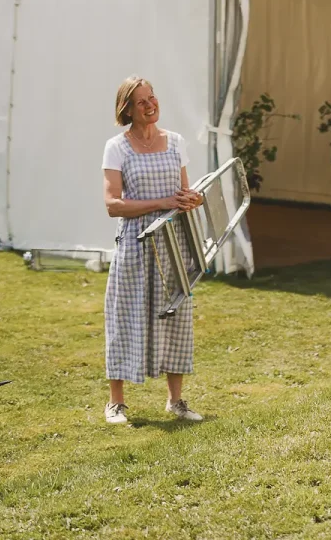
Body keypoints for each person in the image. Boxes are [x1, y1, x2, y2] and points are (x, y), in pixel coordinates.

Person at [101, 77, 205, 425]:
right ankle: (116, 403)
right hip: (135, 243)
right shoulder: (117, 147)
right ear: (127, 110)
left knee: (176, 318)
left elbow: (184, 191)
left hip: (174, 244)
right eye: (141, 102)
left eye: (152, 98)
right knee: (125, 317)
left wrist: (192, 199)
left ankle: (176, 401)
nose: (150, 105)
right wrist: (161, 202)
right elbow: (113, 205)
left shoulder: (175, 143)